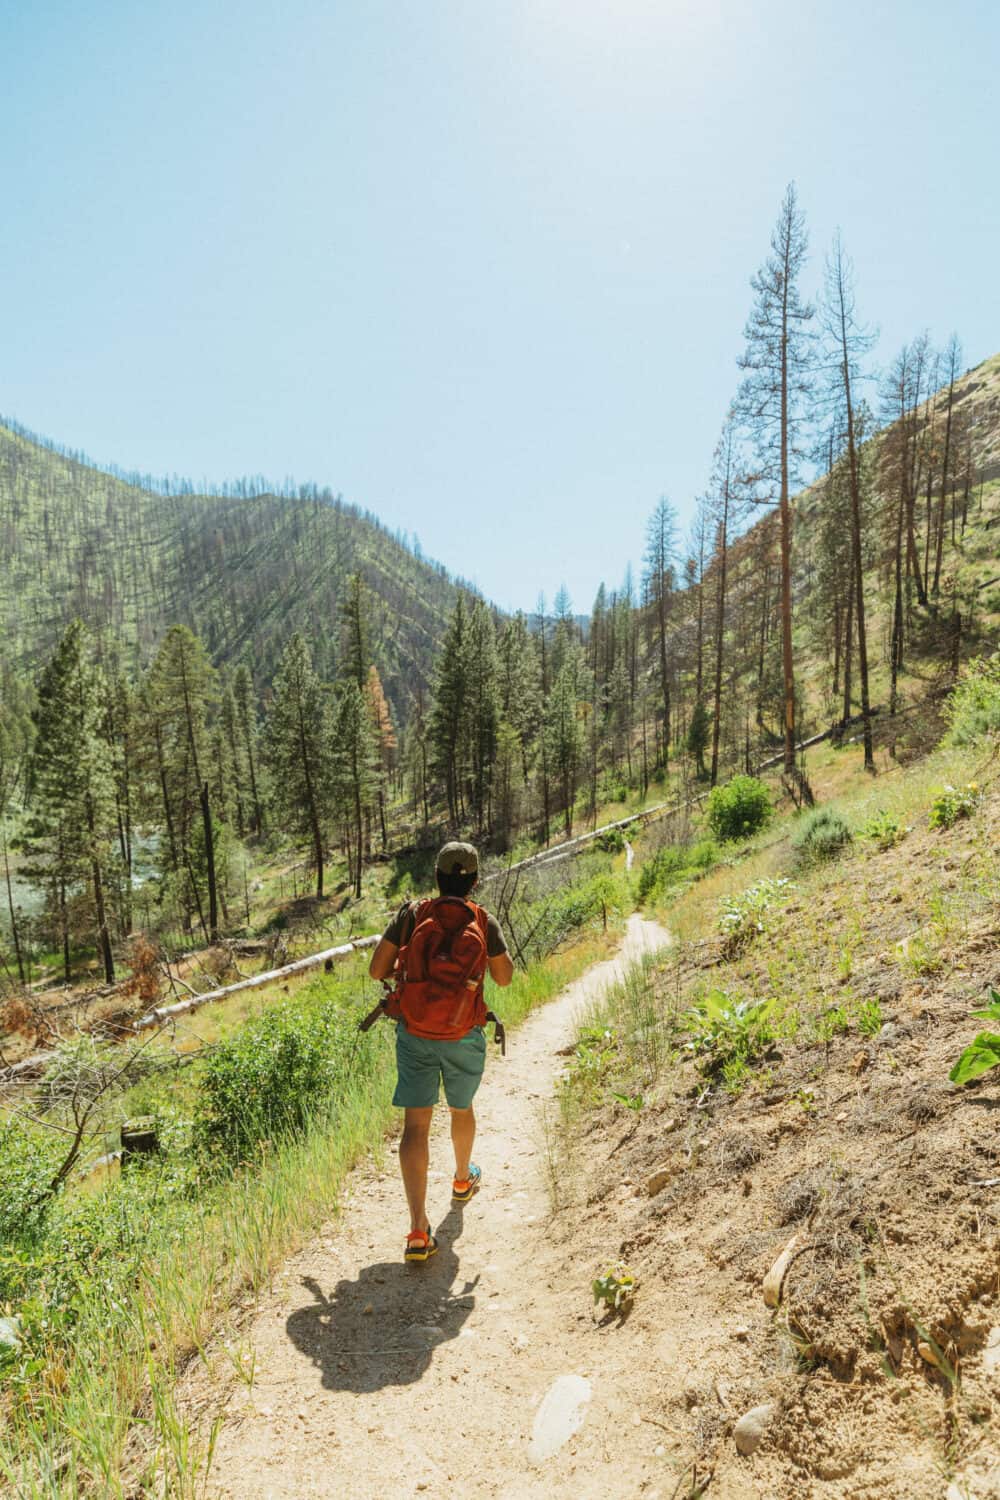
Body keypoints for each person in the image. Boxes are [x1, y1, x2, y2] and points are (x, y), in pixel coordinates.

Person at [369, 841, 513, 1263]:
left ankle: (417, 1229)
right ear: (474, 880)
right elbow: (503, 979)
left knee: (416, 1125)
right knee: (461, 1108)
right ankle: (462, 1179)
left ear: (436, 877)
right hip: (464, 1033)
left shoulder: (413, 914)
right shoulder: (483, 921)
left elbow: (377, 970)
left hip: (415, 1033)